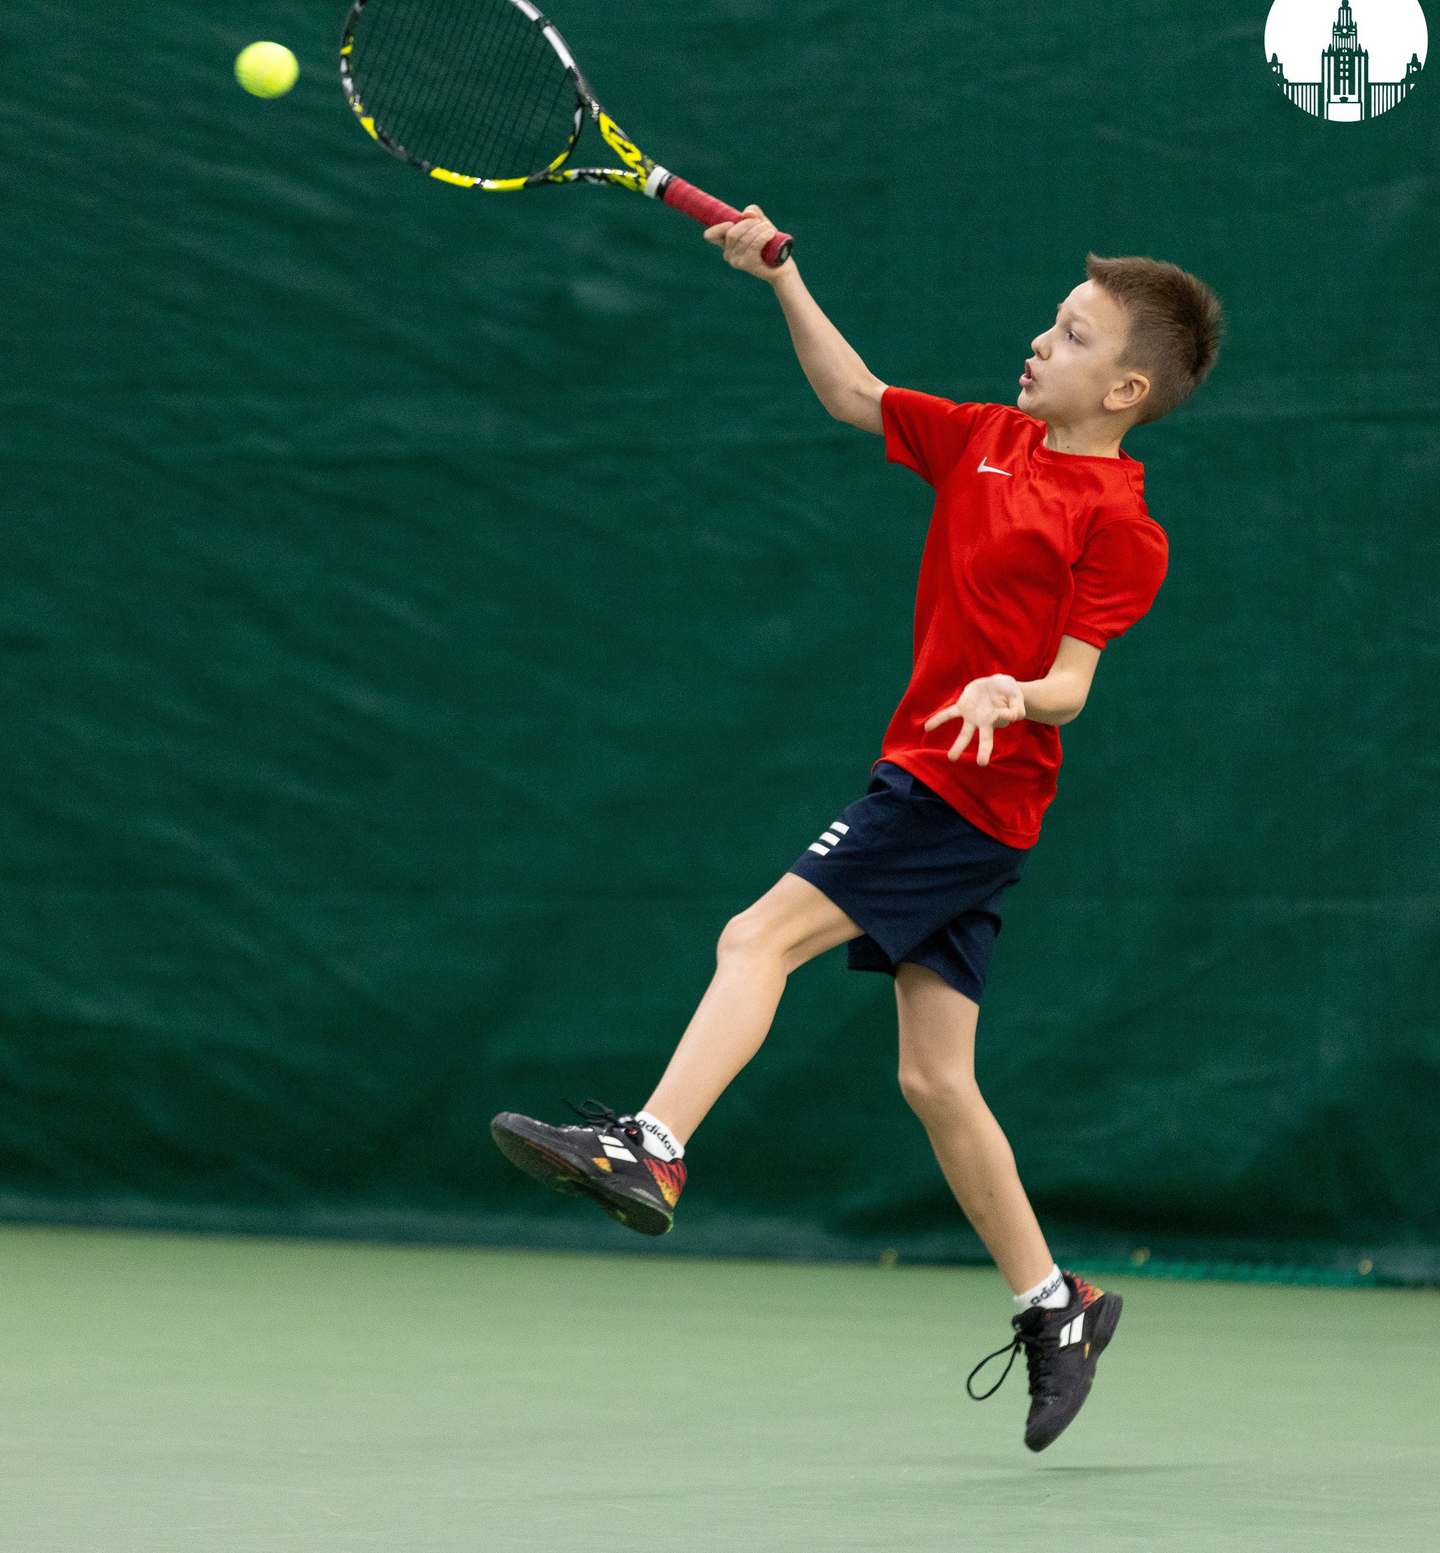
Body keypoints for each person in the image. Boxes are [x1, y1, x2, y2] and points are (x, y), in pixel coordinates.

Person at [491, 205, 1222, 1451]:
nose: (1038, 342)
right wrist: (780, 276)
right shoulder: (983, 438)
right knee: (934, 1079)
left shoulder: (1120, 524)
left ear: (1126, 389)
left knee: (754, 938)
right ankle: (1056, 1306)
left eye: (1071, 334)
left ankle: (652, 1144)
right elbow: (852, 393)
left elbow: (1072, 683)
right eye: (1051, 323)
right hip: (961, 800)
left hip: (958, 792)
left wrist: (1012, 692)